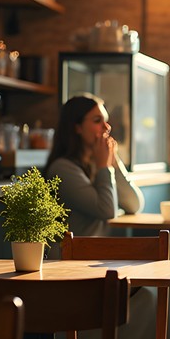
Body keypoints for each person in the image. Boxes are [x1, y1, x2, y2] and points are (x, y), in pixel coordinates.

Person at [45, 92, 143, 237]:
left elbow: (134, 204)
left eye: (106, 120)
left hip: (97, 255)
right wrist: (104, 166)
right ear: (77, 127)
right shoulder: (63, 169)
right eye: (97, 121)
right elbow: (107, 211)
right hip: (72, 257)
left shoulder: (94, 163)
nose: (107, 127)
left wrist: (113, 161)